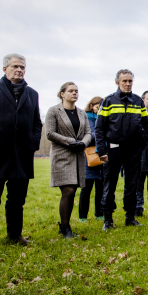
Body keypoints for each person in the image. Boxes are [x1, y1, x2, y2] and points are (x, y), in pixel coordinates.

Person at [0, 53, 42, 251]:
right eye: (15, 67)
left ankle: (14, 235)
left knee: (17, 199)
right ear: (5, 69)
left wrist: (34, 141)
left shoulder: (32, 94)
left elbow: (37, 122)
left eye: (22, 67)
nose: (19, 70)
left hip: (23, 154)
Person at [96, 69, 148, 231]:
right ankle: (108, 220)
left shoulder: (138, 102)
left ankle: (130, 217)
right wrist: (102, 151)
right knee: (109, 185)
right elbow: (99, 128)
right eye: (124, 81)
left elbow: (146, 125)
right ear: (117, 82)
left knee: (132, 185)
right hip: (113, 150)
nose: (127, 84)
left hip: (133, 151)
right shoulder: (108, 101)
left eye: (130, 81)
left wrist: (141, 145)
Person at [45, 82, 92, 239]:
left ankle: (64, 226)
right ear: (62, 94)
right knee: (68, 190)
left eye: (76, 91)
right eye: (71, 91)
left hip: (78, 155)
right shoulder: (54, 111)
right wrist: (70, 141)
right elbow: (50, 133)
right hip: (62, 156)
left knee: (72, 192)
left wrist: (83, 143)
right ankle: (65, 228)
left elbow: (88, 132)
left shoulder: (81, 113)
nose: (74, 93)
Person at [79, 96, 104, 222]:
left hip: (102, 157)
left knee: (100, 188)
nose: (99, 108)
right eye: (97, 106)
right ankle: (83, 216)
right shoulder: (85, 118)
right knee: (86, 189)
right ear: (91, 106)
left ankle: (99, 213)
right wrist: (100, 133)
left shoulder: (104, 118)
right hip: (89, 157)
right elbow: (86, 136)